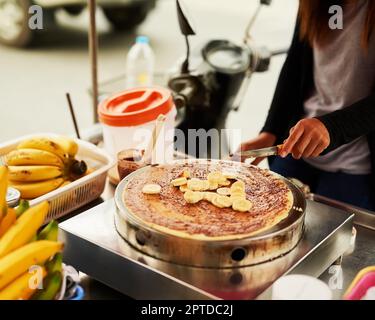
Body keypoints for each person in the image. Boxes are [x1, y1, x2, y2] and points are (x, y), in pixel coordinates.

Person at [237, 0, 375, 211]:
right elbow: (295, 63)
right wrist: (271, 131)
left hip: (358, 166)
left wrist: (332, 127)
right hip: (296, 150)